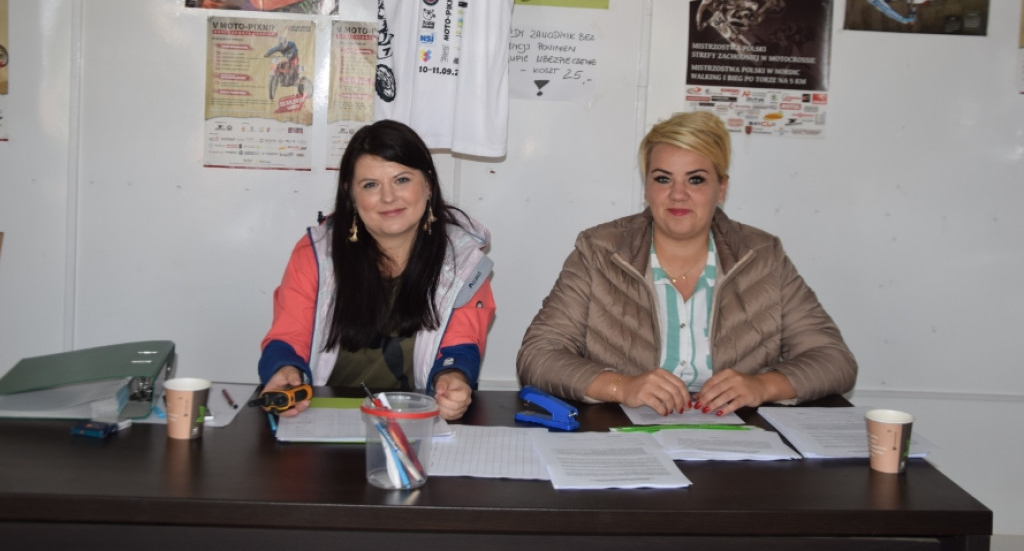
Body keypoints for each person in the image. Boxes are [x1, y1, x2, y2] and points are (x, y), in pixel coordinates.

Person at [516, 111, 856, 417]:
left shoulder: (763, 255)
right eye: (663, 179)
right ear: (647, 188)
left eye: (696, 180)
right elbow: (538, 355)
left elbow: (833, 359)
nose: (678, 194)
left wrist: (762, 386)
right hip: (623, 431)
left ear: (721, 189)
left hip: (737, 438)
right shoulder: (599, 252)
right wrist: (622, 386)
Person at [259, 120, 495, 420]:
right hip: (325, 418)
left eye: (402, 180)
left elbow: (461, 346)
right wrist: (283, 370)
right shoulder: (316, 254)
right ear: (351, 195)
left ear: (428, 185)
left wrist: (453, 379)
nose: (388, 197)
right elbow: (288, 337)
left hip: (414, 421)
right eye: (370, 185)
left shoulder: (463, 260)